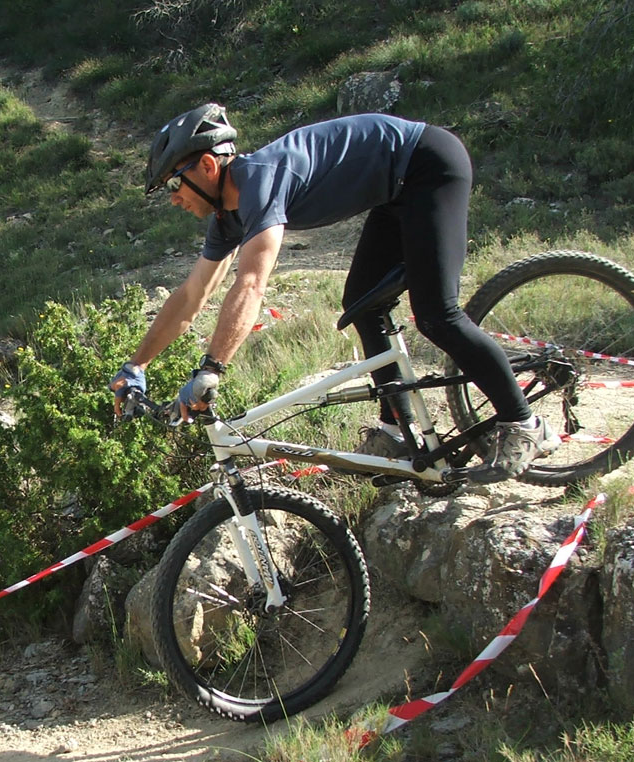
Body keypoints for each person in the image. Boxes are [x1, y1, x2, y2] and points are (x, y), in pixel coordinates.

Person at [108, 103, 560, 483]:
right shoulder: (226, 216)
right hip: (393, 191)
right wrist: (136, 365)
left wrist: (212, 369)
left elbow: (252, 283)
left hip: (427, 165)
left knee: (435, 314)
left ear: (208, 166)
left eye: (173, 183)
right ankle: (397, 432)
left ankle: (524, 423)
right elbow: (192, 294)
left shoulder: (260, 181)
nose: (172, 198)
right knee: (362, 306)